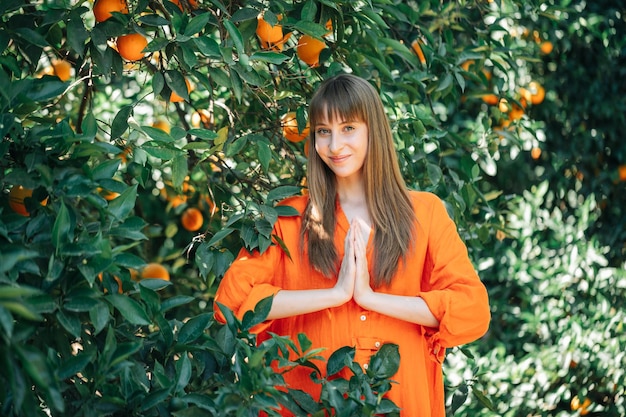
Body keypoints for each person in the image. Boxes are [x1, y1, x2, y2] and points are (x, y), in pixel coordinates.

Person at [214, 73, 491, 416]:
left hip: (404, 401)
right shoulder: (287, 219)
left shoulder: (425, 213)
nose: (334, 146)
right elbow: (231, 304)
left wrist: (372, 299)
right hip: (308, 401)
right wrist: (336, 294)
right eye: (323, 132)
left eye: (348, 128)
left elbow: (472, 311)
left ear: (373, 130)